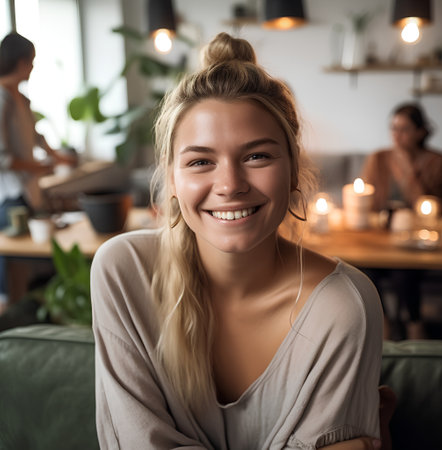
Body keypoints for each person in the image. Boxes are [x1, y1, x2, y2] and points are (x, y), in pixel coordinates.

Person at [91, 33, 384, 449]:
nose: (229, 185)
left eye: (257, 156)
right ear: (172, 178)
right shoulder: (124, 273)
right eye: (200, 161)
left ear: (293, 168)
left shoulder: (343, 305)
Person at [0, 32, 75, 310]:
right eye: (31, 62)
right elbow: (3, 158)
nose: (32, 68)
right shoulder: (2, 100)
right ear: (20, 62)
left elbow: (36, 137)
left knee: (34, 264)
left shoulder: (21, 99)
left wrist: (57, 156)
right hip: (10, 197)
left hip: (28, 191)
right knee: (14, 269)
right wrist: (43, 165)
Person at [362, 103, 442, 340]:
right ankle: (385, 323)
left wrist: (409, 169)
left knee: (404, 270)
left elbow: (435, 207)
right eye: (394, 128)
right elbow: (366, 203)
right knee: (365, 268)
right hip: (381, 236)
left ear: (420, 132)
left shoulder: (438, 162)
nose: (397, 135)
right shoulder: (379, 158)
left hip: (417, 239)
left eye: (405, 129)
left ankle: (413, 324)